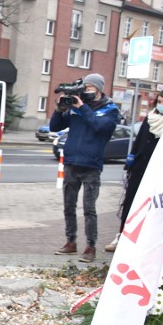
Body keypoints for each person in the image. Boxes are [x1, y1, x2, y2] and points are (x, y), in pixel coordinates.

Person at [50, 73, 120, 263]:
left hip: (91, 166)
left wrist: (83, 107)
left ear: (98, 89)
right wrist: (59, 109)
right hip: (72, 163)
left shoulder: (110, 110)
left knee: (89, 209)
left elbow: (99, 127)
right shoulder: (75, 107)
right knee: (68, 206)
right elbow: (54, 127)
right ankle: (70, 242)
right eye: (84, 87)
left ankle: (90, 246)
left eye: (89, 87)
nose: (85, 90)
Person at [105, 89, 163, 252]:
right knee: (130, 203)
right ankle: (123, 235)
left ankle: (149, 241)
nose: (162, 105)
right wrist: (131, 159)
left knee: (154, 206)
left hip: (160, 171)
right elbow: (138, 142)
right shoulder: (150, 119)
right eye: (160, 101)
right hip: (140, 168)